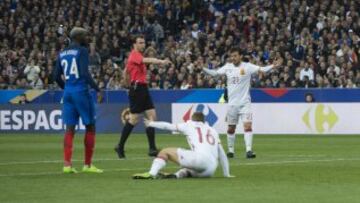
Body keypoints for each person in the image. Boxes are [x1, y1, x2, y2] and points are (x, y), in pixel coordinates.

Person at [202, 48, 282, 159]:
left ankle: (249, 150)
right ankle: (230, 151)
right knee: (231, 128)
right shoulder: (227, 67)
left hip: (245, 103)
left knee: (248, 126)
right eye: (232, 56)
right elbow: (215, 73)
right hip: (232, 104)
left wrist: (273, 66)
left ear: (240, 56)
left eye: (235, 56)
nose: (233, 58)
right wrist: (202, 68)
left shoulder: (247, 66)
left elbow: (262, 70)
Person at [54, 27, 103, 174]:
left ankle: (67, 165)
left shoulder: (62, 53)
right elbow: (84, 73)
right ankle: (87, 165)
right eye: (85, 36)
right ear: (78, 37)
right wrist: (97, 89)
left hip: (68, 93)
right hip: (81, 92)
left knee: (70, 128)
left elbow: (56, 76)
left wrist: (67, 88)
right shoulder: (82, 51)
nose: (88, 38)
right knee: (90, 126)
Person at [114, 35, 171, 159]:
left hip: (143, 88)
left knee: (152, 117)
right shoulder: (135, 55)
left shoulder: (135, 57)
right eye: (140, 42)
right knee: (134, 119)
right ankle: (120, 146)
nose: (142, 44)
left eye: (144, 42)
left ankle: (152, 148)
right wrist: (160, 61)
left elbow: (126, 71)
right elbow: (146, 61)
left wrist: (126, 81)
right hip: (138, 89)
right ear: (134, 45)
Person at [132, 112, 233, 179]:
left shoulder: (189, 125)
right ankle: (176, 176)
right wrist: (226, 174)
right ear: (203, 121)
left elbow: (168, 126)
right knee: (187, 170)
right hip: (210, 169)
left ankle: (151, 173)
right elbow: (222, 155)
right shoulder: (213, 130)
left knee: (164, 151)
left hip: (200, 159)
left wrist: (151, 124)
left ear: (192, 119)